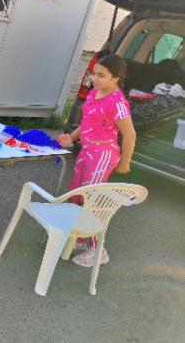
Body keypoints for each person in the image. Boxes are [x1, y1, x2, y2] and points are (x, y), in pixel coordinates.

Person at [58, 54, 136, 268]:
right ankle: (80, 239)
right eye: (94, 73)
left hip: (102, 155)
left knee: (92, 200)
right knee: (76, 194)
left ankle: (98, 250)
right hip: (87, 151)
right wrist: (72, 137)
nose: (95, 78)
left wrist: (125, 163)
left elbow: (129, 135)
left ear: (116, 78)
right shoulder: (94, 93)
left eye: (101, 75)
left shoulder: (118, 102)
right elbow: (88, 121)